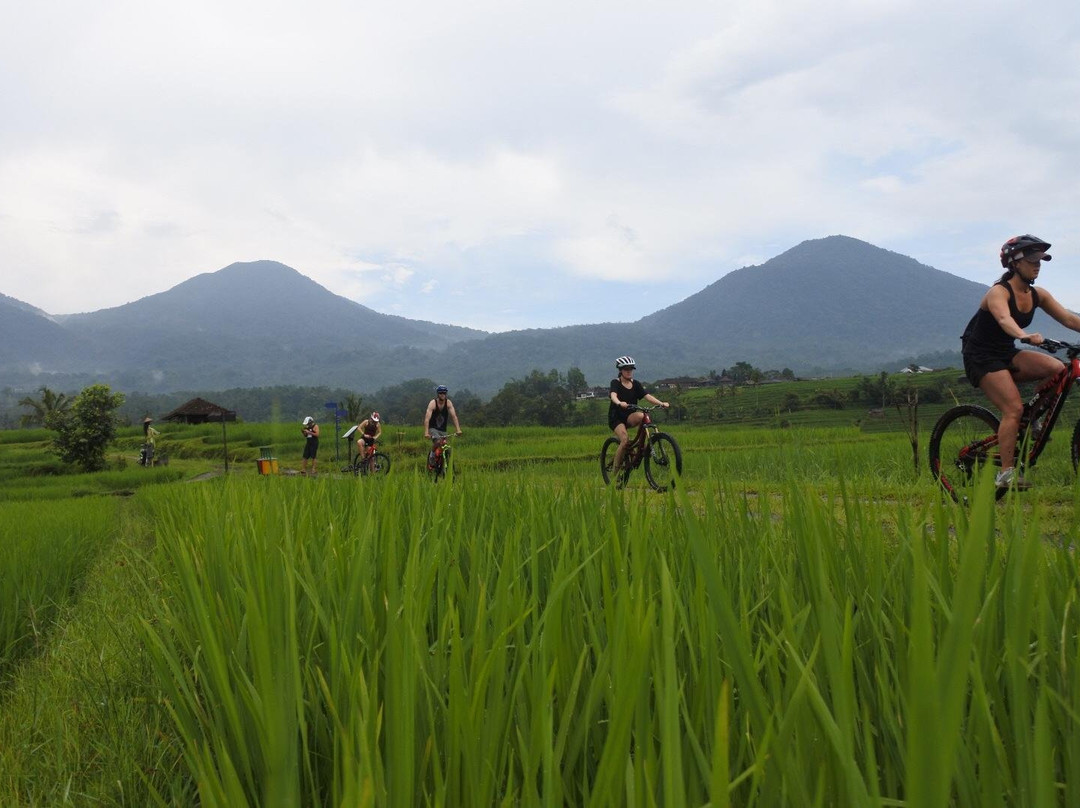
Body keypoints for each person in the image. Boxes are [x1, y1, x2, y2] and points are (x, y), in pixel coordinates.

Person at [961, 234, 1080, 489]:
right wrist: (1024, 335)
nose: (1038, 264)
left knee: (1057, 369)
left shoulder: (1038, 295)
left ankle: (1031, 417)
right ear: (1015, 263)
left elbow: (1069, 320)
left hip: (1006, 351)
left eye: (1041, 259)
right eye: (1032, 259)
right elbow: (1004, 320)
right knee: (1012, 409)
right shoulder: (998, 292)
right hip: (980, 355)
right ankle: (1005, 473)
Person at [608, 356, 669, 476]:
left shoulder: (635, 384)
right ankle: (614, 474)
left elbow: (647, 396)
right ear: (620, 370)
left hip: (629, 416)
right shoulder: (615, 382)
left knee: (643, 416)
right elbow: (613, 395)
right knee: (624, 441)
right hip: (616, 418)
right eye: (626, 369)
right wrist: (619, 403)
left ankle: (643, 445)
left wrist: (661, 403)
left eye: (631, 369)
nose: (629, 371)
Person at [423, 385, 463, 467]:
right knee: (437, 441)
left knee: (445, 446)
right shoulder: (433, 403)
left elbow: (454, 417)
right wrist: (426, 432)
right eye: (441, 393)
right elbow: (427, 419)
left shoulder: (448, 403)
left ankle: (443, 465)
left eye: (444, 393)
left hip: (443, 430)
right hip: (433, 428)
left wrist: (458, 430)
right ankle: (432, 455)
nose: (442, 395)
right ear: (438, 394)